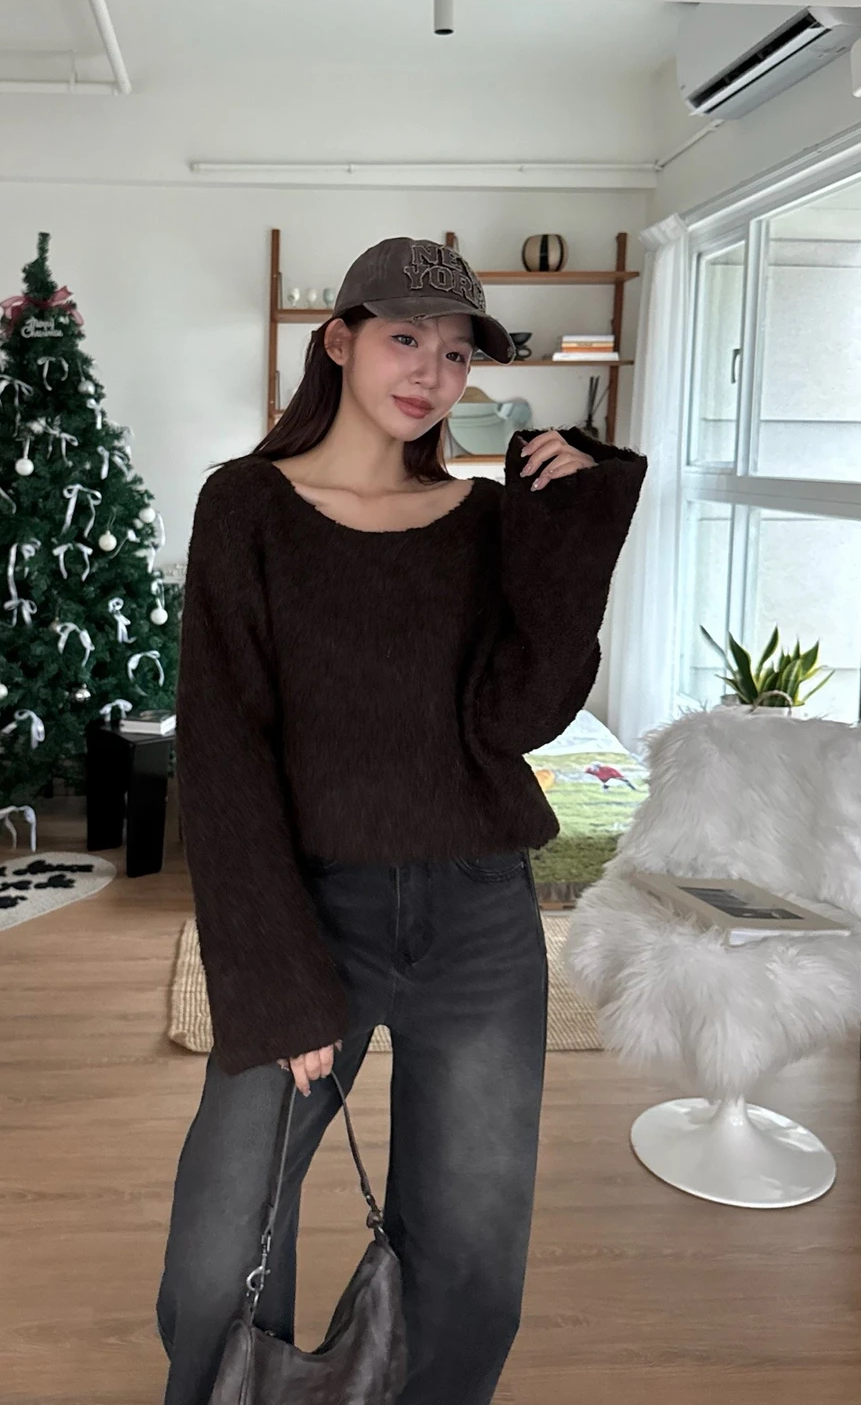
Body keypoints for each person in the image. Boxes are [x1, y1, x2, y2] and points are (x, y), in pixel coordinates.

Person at [157, 236, 646, 1405]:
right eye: (406, 337)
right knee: (217, 1260)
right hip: (311, 908)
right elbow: (224, 757)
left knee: (472, 1260)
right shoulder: (247, 507)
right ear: (340, 340)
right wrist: (279, 978)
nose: (432, 370)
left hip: (477, 913)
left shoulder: (484, 521)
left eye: (458, 352)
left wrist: (576, 519)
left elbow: (521, 713)